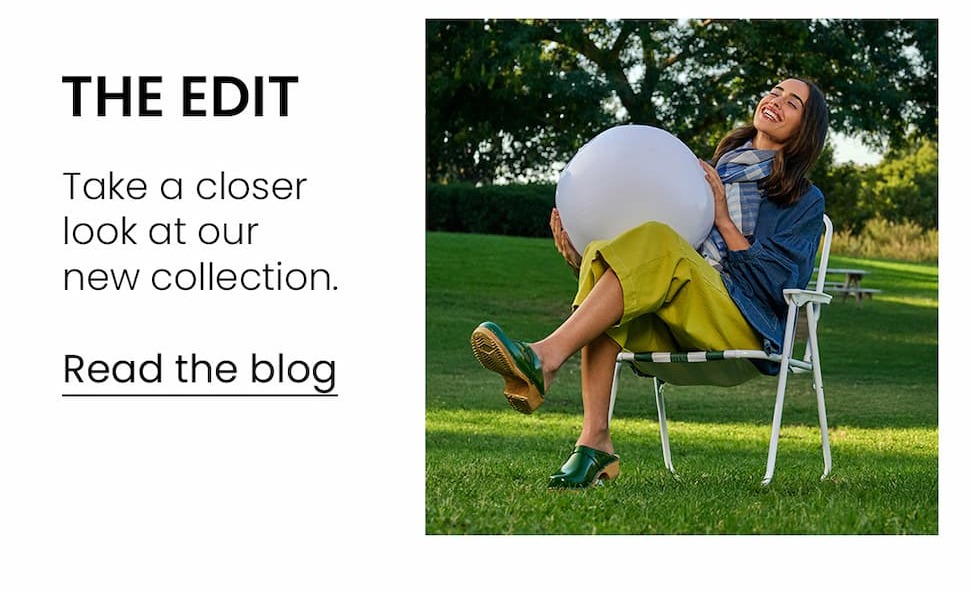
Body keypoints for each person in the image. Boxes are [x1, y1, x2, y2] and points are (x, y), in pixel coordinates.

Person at [470, 78, 829, 489]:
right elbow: (647, 267)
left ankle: (545, 358)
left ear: (806, 129)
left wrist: (723, 220)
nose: (776, 101)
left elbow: (779, 284)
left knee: (660, 239)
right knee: (606, 249)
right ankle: (594, 442)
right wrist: (584, 262)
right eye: (775, 91)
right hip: (677, 315)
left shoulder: (803, 200)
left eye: (793, 103)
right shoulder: (704, 172)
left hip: (742, 323)